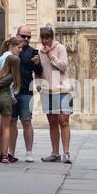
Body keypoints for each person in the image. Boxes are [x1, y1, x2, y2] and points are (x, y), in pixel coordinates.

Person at [37, 25, 74, 163]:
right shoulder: (39, 52)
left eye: (48, 37)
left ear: (52, 37)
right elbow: (39, 71)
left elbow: (63, 66)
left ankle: (66, 153)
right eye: (43, 38)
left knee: (63, 121)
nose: (45, 41)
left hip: (63, 90)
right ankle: (55, 153)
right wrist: (38, 85)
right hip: (47, 91)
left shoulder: (60, 48)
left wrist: (50, 55)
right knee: (52, 122)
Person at [8, 24, 39, 163]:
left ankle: (29, 153)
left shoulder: (33, 52)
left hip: (26, 91)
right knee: (11, 122)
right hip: (11, 91)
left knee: (27, 121)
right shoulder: (11, 49)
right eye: (23, 36)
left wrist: (37, 64)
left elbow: (39, 71)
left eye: (28, 37)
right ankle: (11, 152)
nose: (26, 39)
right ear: (17, 34)